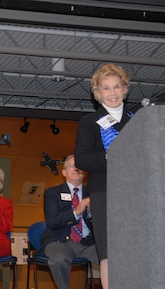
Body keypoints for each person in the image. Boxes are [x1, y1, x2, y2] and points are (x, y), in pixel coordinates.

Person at [74, 63, 133, 289]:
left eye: (116, 87)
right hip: (104, 192)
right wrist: (110, 156)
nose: (112, 93)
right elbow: (82, 160)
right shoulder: (89, 122)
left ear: (124, 89)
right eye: (106, 88)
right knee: (108, 251)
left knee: (131, 249)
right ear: (98, 93)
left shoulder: (136, 121)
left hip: (133, 192)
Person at [41, 155, 98, 289]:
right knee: (59, 259)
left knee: (111, 257)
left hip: (88, 243)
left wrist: (90, 213)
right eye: (73, 166)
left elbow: (102, 224)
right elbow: (52, 222)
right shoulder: (52, 193)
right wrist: (76, 211)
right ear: (64, 172)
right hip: (60, 241)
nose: (77, 168)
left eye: (80, 166)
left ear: (85, 173)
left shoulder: (93, 194)